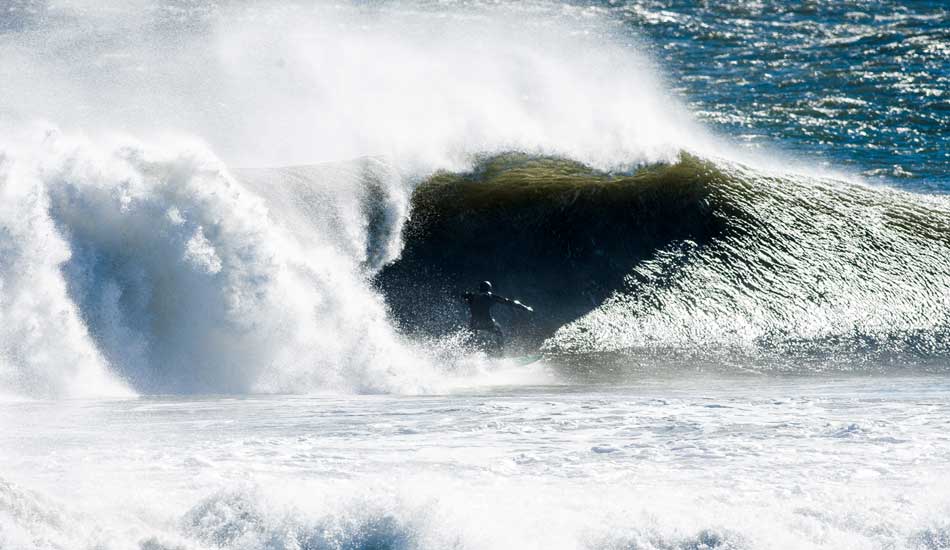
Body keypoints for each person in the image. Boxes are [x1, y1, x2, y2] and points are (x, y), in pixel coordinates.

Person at [462, 281, 533, 352]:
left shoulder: (471, 296)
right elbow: (510, 302)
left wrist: (467, 294)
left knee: (470, 335)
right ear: (489, 289)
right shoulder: (490, 296)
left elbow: (463, 295)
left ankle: (466, 352)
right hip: (487, 323)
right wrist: (526, 308)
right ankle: (500, 353)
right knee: (499, 332)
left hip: (474, 324)